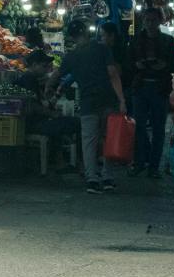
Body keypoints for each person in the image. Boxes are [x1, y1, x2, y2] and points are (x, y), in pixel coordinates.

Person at [48, 20, 126, 194]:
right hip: (108, 101)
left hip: (88, 103)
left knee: (89, 142)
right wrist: (122, 100)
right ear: (86, 31)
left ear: (71, 37)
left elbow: (58, 75)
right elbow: (113, 74)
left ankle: (92, 179)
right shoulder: (102, 49)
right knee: (108, 139)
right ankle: (107, 177)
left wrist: (49, 88)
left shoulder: (71, 56)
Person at [127, 8, 174, 178]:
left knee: (158, 129)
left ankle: (153, 167)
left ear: (159, 21)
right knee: (139, 127)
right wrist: (138, 65)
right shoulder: (135, 40)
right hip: (140, 87)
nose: (150, 23)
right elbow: (128, 63)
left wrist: (163, 65)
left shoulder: (168, 41)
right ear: (143, 21)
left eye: (153, 20)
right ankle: (140, 162)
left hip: (159, 88)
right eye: (147, 20)